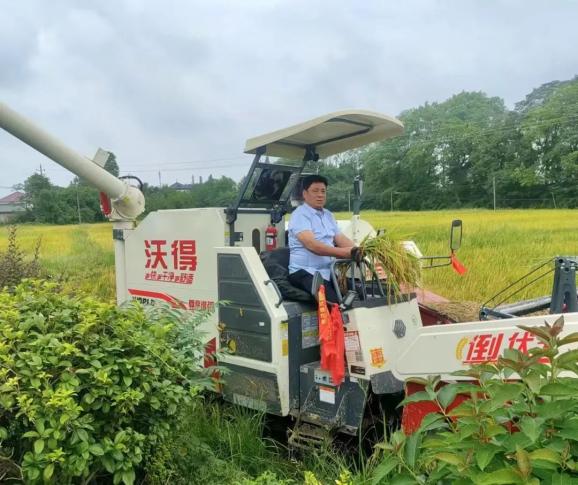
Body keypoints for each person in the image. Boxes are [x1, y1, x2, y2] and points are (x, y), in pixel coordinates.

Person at [288, 174, 358, 303]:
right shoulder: (300, 215)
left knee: (357, 295)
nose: (320, 195)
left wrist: (359, 249)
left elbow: (340, 239)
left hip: (327, 270)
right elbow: (313, 246)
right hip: (304, 272)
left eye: (323, 191)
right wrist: (345, 253)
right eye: (315, 191)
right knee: (336, 303)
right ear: (305, 194)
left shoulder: (328, 215)